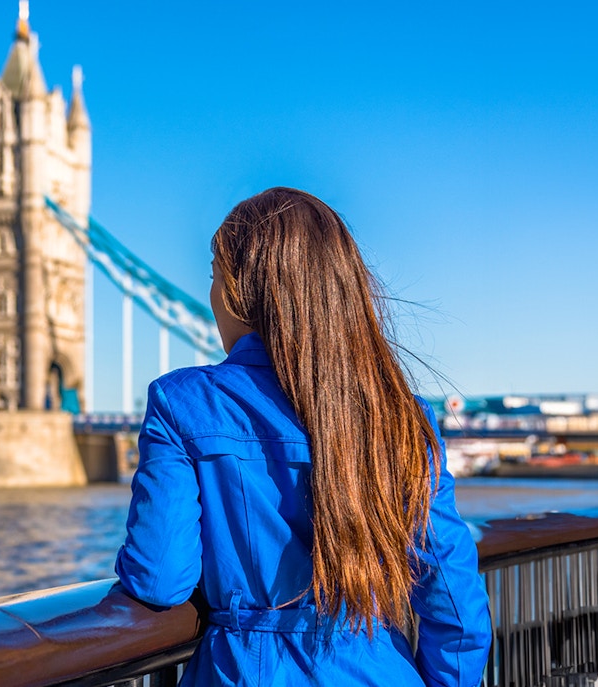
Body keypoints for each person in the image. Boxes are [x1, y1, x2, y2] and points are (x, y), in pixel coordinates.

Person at [114, 188, 492, 686]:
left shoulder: (181, 403)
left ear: (236, 292)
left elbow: (160, 579)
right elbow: (455, 605)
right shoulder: (401, 419)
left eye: (213, 275)